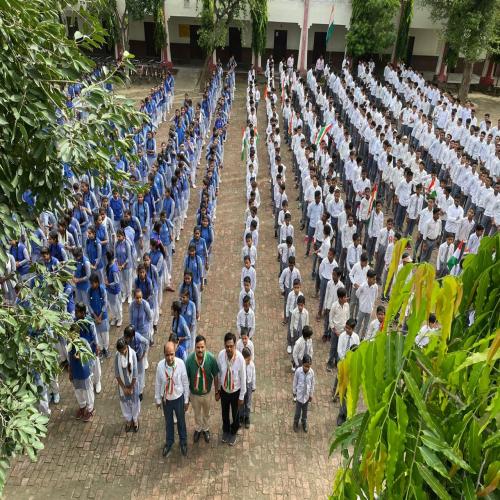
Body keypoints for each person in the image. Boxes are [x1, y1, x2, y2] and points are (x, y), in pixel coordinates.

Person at [155, 341, 190, 458]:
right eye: (167, 355)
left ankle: (183, 441)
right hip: (167, 400)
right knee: (168, 422)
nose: (170, 358)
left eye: (172, 354)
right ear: (164, 354)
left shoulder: (181, 364)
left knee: (181, 421)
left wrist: (186, 400)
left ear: (175, 352)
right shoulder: (160, 366)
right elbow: (158, 383)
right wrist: (158, 399)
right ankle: (169, 442)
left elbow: (185, 382)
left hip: (179, 398)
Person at [185, 335, 220, 444]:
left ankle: (205, 428)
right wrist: (187, 396)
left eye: (202, 347)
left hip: (207, 393)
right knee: (196, 413)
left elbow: (215, 375)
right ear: (195, 347)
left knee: (206, 413)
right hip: (194, 394)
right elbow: (186, 379)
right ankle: (198, 428)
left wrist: (216, 391)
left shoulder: (211, 359)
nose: (200, 350)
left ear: (205, 347)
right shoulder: (189, 360)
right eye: (198, 347)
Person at [217, 332, 246, 446]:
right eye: (227, 346)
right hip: (224, 390)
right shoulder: (221, 355)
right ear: (224, 345)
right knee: (224, 412)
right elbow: (219, 373)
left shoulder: (240, 359)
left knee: (235, 414)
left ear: (235, 345)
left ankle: (233, 432)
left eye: (231, 346)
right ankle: (226, 430)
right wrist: (218, 390)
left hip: (235, 392)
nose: (229, 349)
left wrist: (241, 396)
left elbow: (243, 378)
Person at [115, 337, 140, 432]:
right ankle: (129, 419)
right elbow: (117, 374)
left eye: (124, 350)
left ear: (126, 346)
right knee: (124, 404)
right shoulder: (117, 356)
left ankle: (135, 419)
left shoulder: (132, 354)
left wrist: (131, 388)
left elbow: (135, 374)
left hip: (133, 385)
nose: (123, 353)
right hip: (123, 387)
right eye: (121, 351)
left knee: (135, 403)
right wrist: (123, 388)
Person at [68, 337, 95, 422]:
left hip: (85, 372)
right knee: (78, 391)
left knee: (87, 392)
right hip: (75, 372)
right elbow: (69, 359)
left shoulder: (83, 342)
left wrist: (81, 357)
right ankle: (82, 407)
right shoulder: (69, 344)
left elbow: (90, 356)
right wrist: (70, 372)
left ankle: (91, 410)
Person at [123, 325, 148, 399]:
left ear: (132, 336)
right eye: (125, 336)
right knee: (131, 373)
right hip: (130, 359)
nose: (125, 338)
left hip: (138, 358)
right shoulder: (124, 339)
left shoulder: (138, 337)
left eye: (127, 337)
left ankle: (140, 391)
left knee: (140, 374)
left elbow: (146, 342)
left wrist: (143, 355)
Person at [292, 353, 314, 433]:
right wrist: (294, 391)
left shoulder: (311, 373)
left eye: (309, 366)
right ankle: (295, 423)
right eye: (306, 366)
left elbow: (312, 384)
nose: (307, 368)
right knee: (297, 412)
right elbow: (295, 382)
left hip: (306, 397)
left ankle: (304, 422)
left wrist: (311, 394)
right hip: (299, 397)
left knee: (305, 412)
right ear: (302, 364)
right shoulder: (298, 372)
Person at [240, 347, 256, 429]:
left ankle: (247, 417)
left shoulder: (251, 365)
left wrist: (253, 386)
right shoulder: (240, 365)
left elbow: (253, 376)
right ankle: (241, 416)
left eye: (250, 359)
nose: (249, 361)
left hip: (249, 385)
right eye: (248, 359)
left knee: (248, 402)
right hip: (241, 385)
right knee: (241, 401)